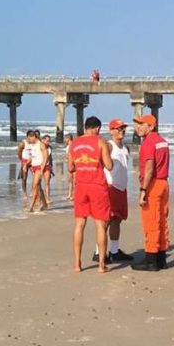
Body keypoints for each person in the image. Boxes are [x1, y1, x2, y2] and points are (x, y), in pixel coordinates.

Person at [68, 116, 114, 273]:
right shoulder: (100, 141)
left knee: (79, 224)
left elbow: (70, 168)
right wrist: (109, 151)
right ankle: (101, 265)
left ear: (85, 127)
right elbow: (109, 166)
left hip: (81, 185)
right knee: (100, 225)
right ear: (98, 128)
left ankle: (77, 264)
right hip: (97, 185)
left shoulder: (74, 143)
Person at [131, 114, 171, 271]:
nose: (138, 127)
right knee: (161, 221)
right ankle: (161, 258)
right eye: (138, 124)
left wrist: (143, 190)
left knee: (151, 222)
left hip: (153, 184)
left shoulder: (149, 143)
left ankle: (151, 259)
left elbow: (149, 168)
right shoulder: (162, 141)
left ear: (151, 126)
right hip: (164, 183)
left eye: (142, 124)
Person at [94, 119, 133, 263]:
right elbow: (98, 163)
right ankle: (99, 252)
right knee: (106, 221)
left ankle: (115, 251)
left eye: (123, 128)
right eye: (117, 128)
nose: (121, 130)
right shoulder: (108, 146)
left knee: (117, 219)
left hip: (121, 188)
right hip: (110, 187)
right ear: (111, 131)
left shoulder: (126, 147)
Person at [26, 131, 48, 212]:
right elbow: (32, 156)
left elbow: (46, 156)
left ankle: (31, 206)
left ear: (33, 137)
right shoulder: (32, 145)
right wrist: (26, 164)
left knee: (34, 186)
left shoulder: (41, 144)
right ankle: (45, 204)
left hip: (39, 167)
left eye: (29, 138)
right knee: (39, 187)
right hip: (34, 167)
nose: (28, 140)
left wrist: (42, 167)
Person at [40, 134, 54, 206]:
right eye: (47, 140)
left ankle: (47, 198)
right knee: (37, 183)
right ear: (43, 140)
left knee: (47, 183)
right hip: (40, 166)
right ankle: (38, 198)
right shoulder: (40, 147)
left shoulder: (50, 147)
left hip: (48, 166)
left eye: (49, 141)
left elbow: (50, 158)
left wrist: (51, 167)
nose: (48, 142)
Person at [64, 134, 76, 201]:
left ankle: (74, 195)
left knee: (74, 180)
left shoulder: (72, 145)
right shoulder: (68, 146)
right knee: (70, 180)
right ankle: (70, 194)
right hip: (69, 163)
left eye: (65, 138)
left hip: (73, 164)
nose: (64, 140)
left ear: (68, 138)